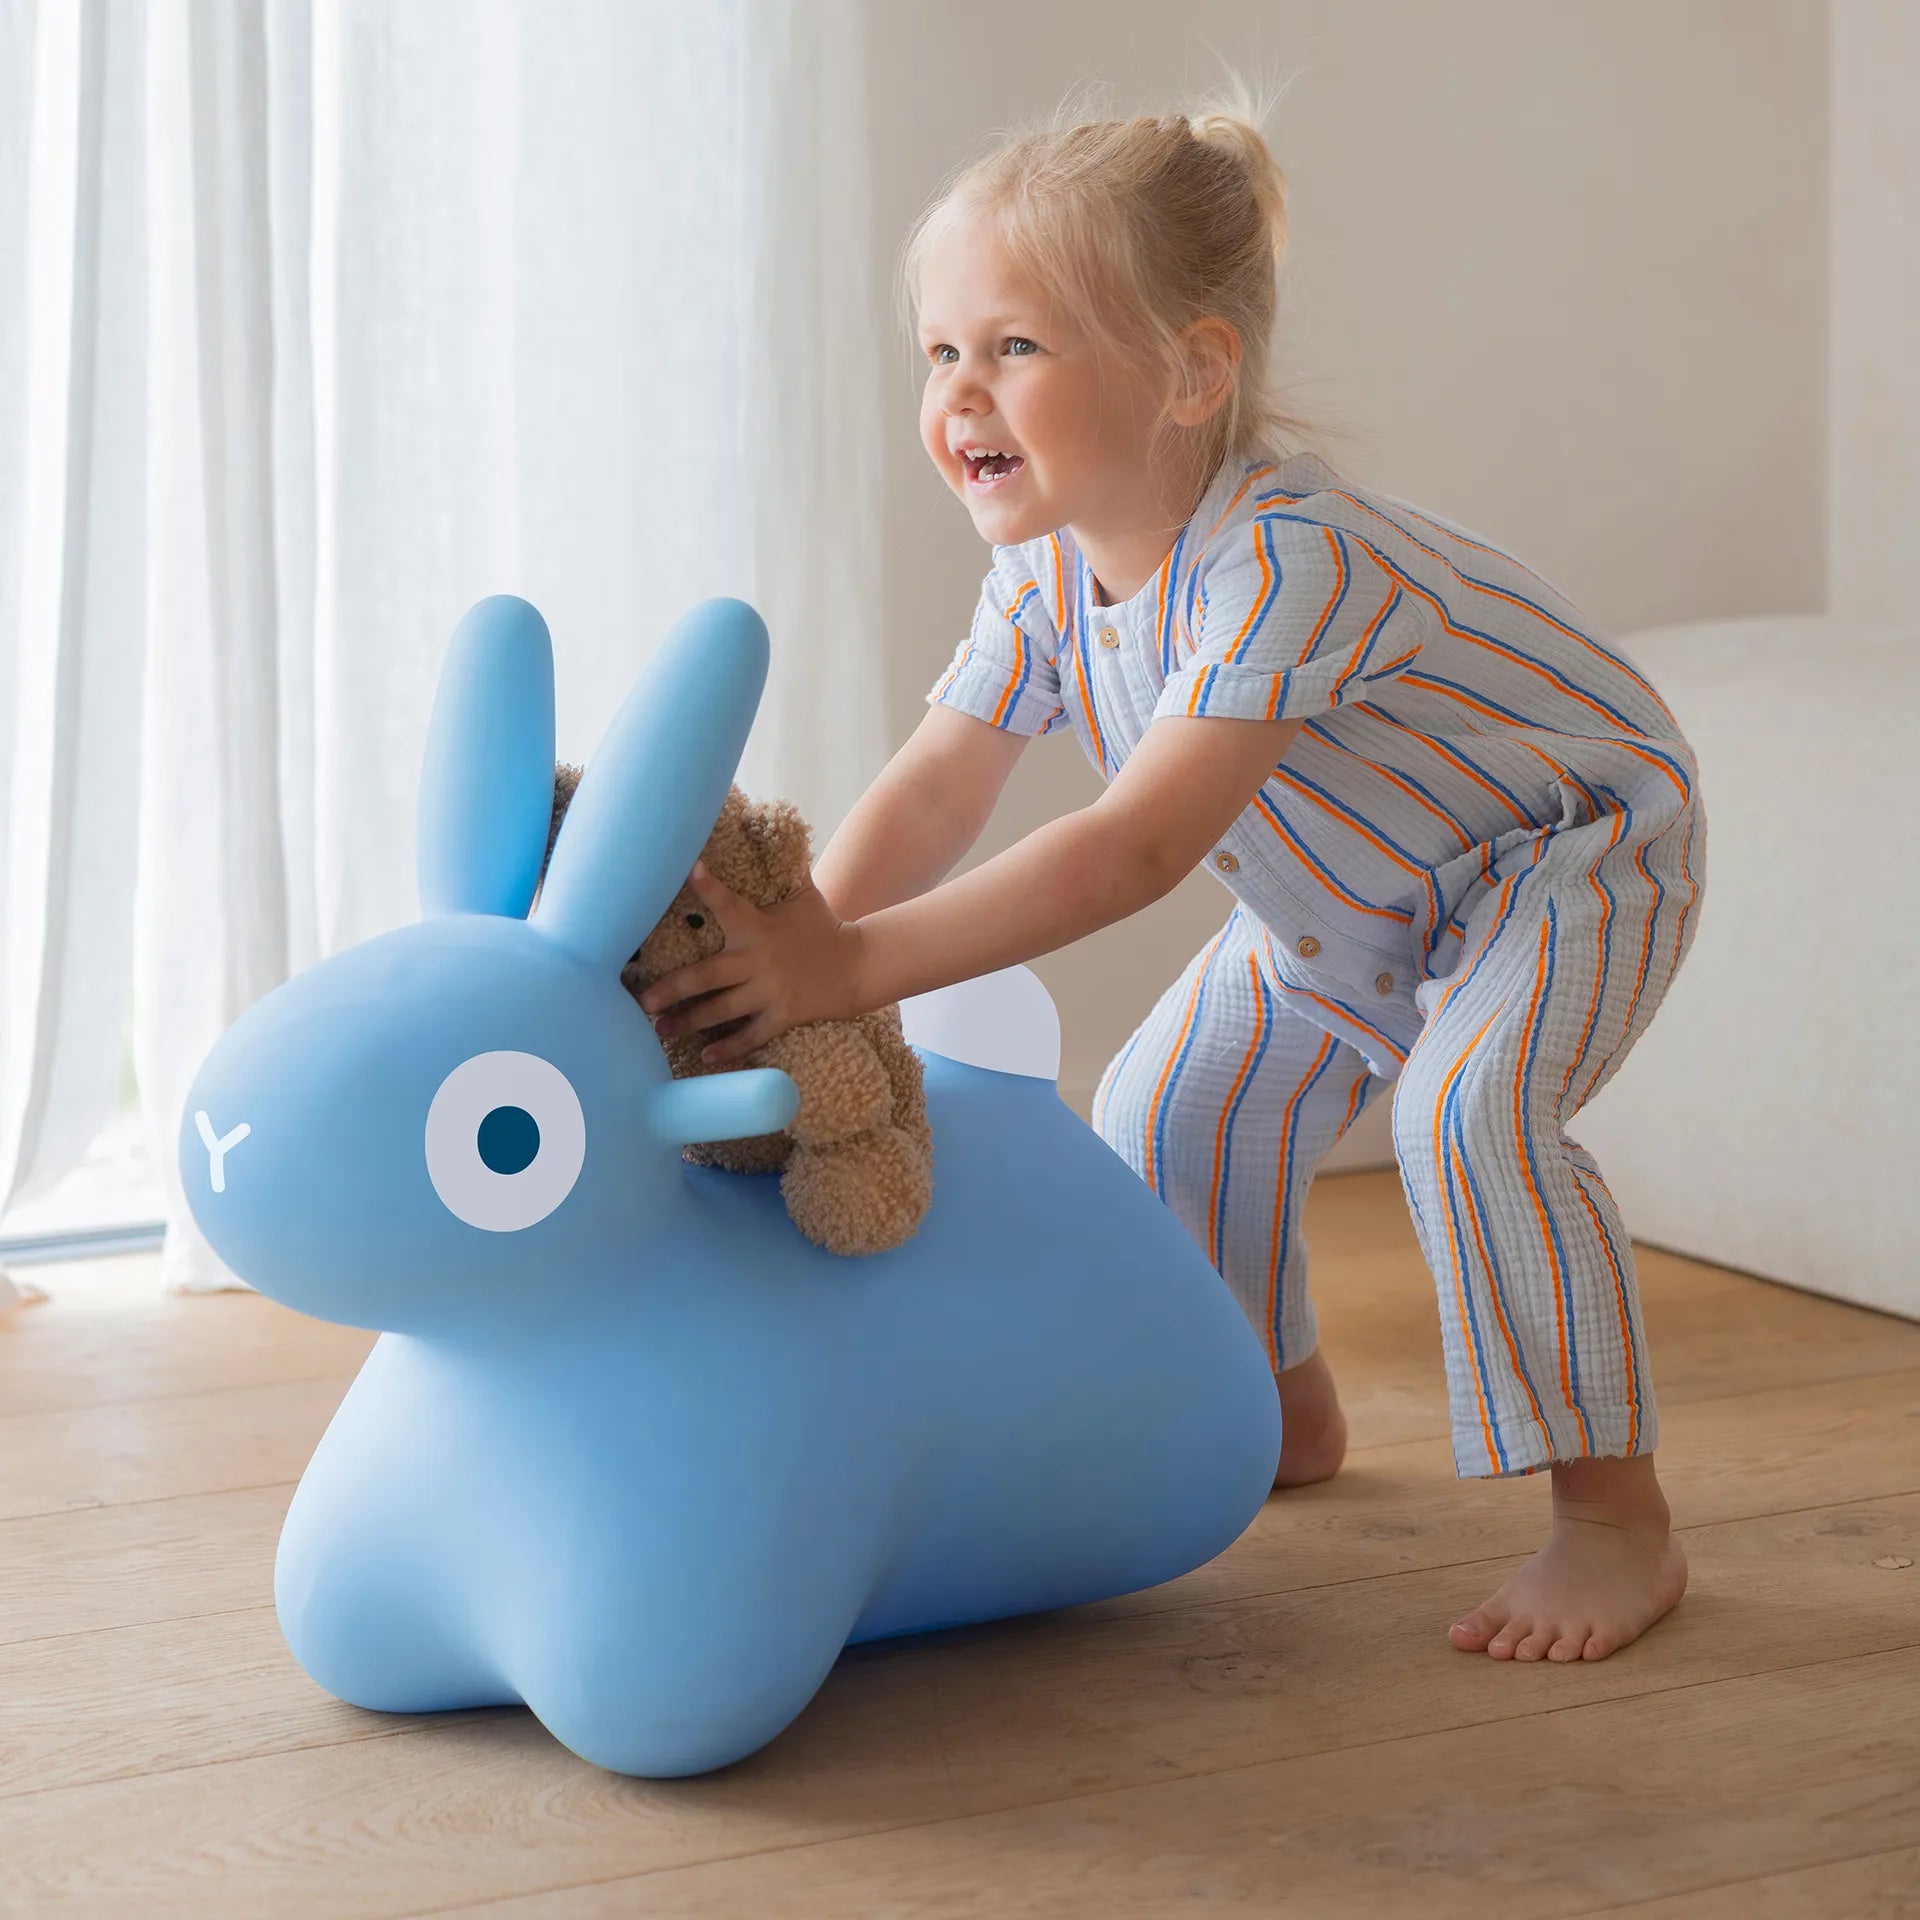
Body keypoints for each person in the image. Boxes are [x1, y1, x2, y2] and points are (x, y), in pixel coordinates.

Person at [638, 96, 1702, 1664]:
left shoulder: (1291, 559)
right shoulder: (1044, 575)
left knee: (1471, 1116)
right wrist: (797, 946)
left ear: (1195, 372)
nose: (960, 393)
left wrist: (851, 973)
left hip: (1567, 852)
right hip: (1345, 895)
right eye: (941, 352)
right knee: (1166, 1112)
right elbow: (938, 784)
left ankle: (1615, 1519)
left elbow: (1133, 847)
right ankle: (1272, 1408)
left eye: (1015, 348)